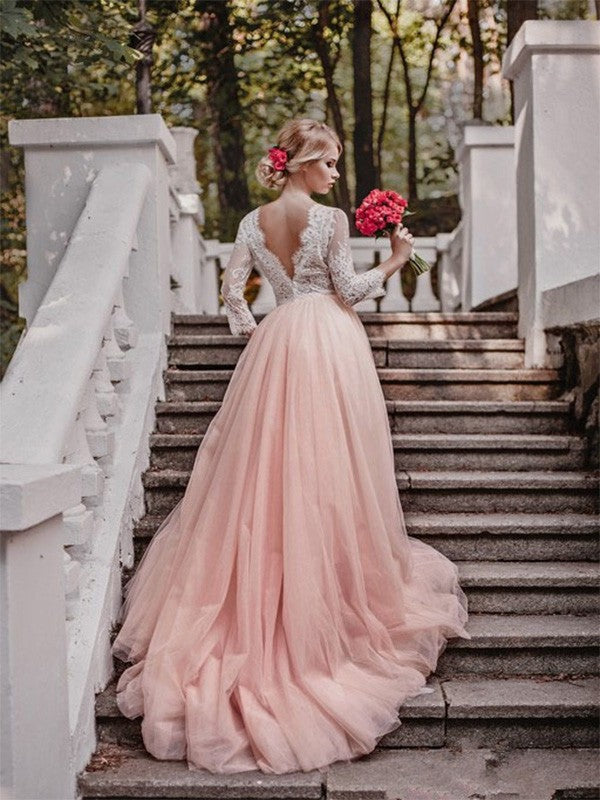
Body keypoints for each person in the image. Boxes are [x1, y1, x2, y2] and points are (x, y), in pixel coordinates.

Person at [111, 117, 471, 775]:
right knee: (328, 473)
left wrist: (256, 333)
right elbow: (346, 290)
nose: (336, 173)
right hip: (328, 341)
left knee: (265, 477)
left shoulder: (253, 220)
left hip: (278, 342)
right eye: (330, 162)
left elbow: (232, 294)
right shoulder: (331, 219)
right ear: (304, 162)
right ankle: (323, 605)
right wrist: (393, 258)